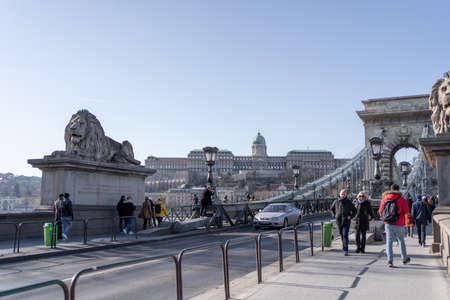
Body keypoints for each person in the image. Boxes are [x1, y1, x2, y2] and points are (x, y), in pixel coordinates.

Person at [379, 184, 411, 267]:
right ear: (398, 190)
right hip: (399, 223)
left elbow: (380, 212)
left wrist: (387, 217)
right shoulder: (401, 199)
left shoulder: (384, 199)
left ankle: (390, 261)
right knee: (401, 241)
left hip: (388, 223)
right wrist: (407, 222)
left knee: (389, 242)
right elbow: (407, 212)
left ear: (390, 189)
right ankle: (404, 259)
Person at [331, 189, 356, 256]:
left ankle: (346, 249)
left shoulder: (349, 202)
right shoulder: (336, 201)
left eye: (344, 194)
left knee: (345, 234)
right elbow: (331, 209)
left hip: (346, 221)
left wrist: (350, 216)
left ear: (346, 195)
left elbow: (354, 211)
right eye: (342, 194)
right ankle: (344, 246)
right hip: (338, 221)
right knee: (341, 235)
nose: (343, 195)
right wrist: (334, 215)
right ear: (340, 194)